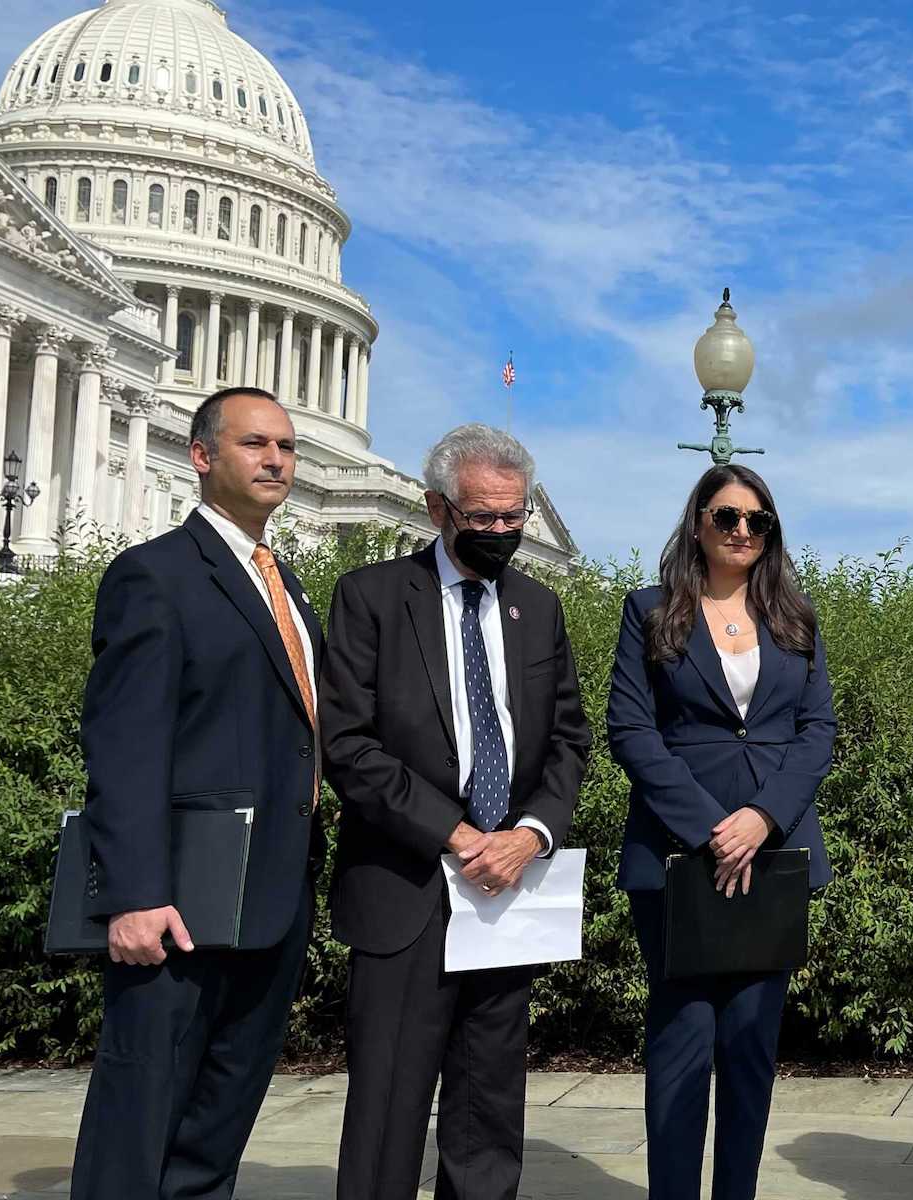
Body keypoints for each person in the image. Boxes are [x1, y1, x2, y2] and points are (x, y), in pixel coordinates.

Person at [322, 424, 592, 1200]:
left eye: (514, 519)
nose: (502, 534)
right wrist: (457, 832)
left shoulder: (538, 608)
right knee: (387, 1109)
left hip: (507, 892)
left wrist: (530, 834)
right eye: (485, 519)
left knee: (488, 1107)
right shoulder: (371, 598)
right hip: (406, 884)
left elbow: (569, 737)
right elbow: (348, 744)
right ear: (439, 507)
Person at [69, 387, 323, 1200]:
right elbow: (124, 742)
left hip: (269, 900)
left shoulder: (289, 593)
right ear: (202, 456)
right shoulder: (155, 575)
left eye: (285, 446)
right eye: (254, 444)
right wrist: (135, 894)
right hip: (179, 903)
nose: (276, 460)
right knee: (140, 1119)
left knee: (218, 1121)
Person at [607, 464, 836, 1200]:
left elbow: (817, 731)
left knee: (749, 1050)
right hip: (679, 859)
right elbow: (631, 730)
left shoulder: (796, 619)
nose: (742, 531)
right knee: (680, 1045)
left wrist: (762, 818)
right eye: (727, 516)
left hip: (773, 858)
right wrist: (711, 826)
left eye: (757, 521)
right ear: (698, 523)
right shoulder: (650, 612)